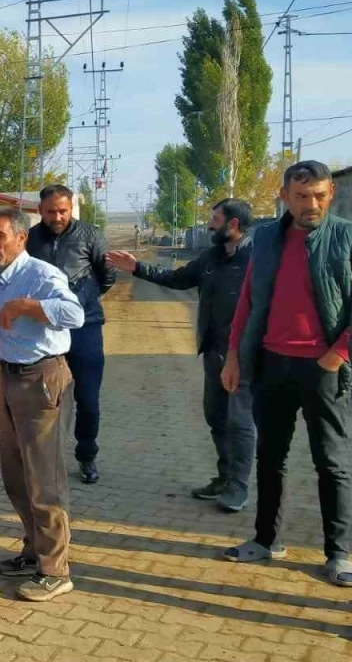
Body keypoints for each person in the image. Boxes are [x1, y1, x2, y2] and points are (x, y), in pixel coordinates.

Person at [222, 161, 352, 588]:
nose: (311, 204)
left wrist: (337, 354)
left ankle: (338, 554)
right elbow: (248, 300)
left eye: (319, 195)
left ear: (331, 194)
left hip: (323, 368)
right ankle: (266, 540)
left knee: (331, 462)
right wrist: (234, 354)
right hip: (272, 364)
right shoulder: (266, 238)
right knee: (271, 456)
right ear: (285, 196)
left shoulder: (351, 237)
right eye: (301, 196)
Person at [106, 199, 255, 512]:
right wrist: (137, 267)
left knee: (239, 421)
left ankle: (238, 487)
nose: (209, 225)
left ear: (234, 224)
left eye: (215, 219)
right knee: (216, 417)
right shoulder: (211, 257)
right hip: (213, 351)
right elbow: (177, 279)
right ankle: (224, 478)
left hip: (244, 354)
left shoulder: (257, 258)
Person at [0, 207, 85, 602]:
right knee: (16, 474)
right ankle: (34, 550)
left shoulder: (41, 275)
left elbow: (74, 314)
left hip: (41, 380)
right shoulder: (1, 276)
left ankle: (55, 570)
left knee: (45, 480)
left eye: (0, 236)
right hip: (9, 378)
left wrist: (28, 306)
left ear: (21, 238)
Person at [27, 184, 116, 484]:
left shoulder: (90, 235)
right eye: (51, 211)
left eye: (63, 211)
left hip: (84, 329)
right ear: (39, 210)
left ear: (71, 208)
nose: (57, 217)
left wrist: (81, 303)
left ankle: (87, 455)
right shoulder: (29, 239)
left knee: (87, 399)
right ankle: (44, 457)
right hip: (44, 329)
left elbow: (108, 275)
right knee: (44, 399)